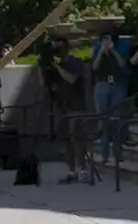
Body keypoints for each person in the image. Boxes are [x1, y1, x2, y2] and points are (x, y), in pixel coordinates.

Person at [38, 36, 88, 184]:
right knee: (66, 138)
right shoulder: (55, 65)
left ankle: (83, 169)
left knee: (76, 138)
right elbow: (43, 84)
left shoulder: (74, 62)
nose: (57, 52)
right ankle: (71, 170)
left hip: (76, 105)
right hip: (61, 105)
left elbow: (72, 79)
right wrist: (41, 67)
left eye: (59, 48)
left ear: (66, 48)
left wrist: (58, 67)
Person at [91, 30, 129, 166]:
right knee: (103, 120)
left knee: (117, 120)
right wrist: (102, 51)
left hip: (117, 85)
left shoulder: (119, 50)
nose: (107, 43)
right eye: (104, 40)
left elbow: (123, 65)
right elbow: (94, 67)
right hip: (102, 85)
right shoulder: (97, 50)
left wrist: (113, 52)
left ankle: (118, 153)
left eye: (109, 40)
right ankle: (104, 153)